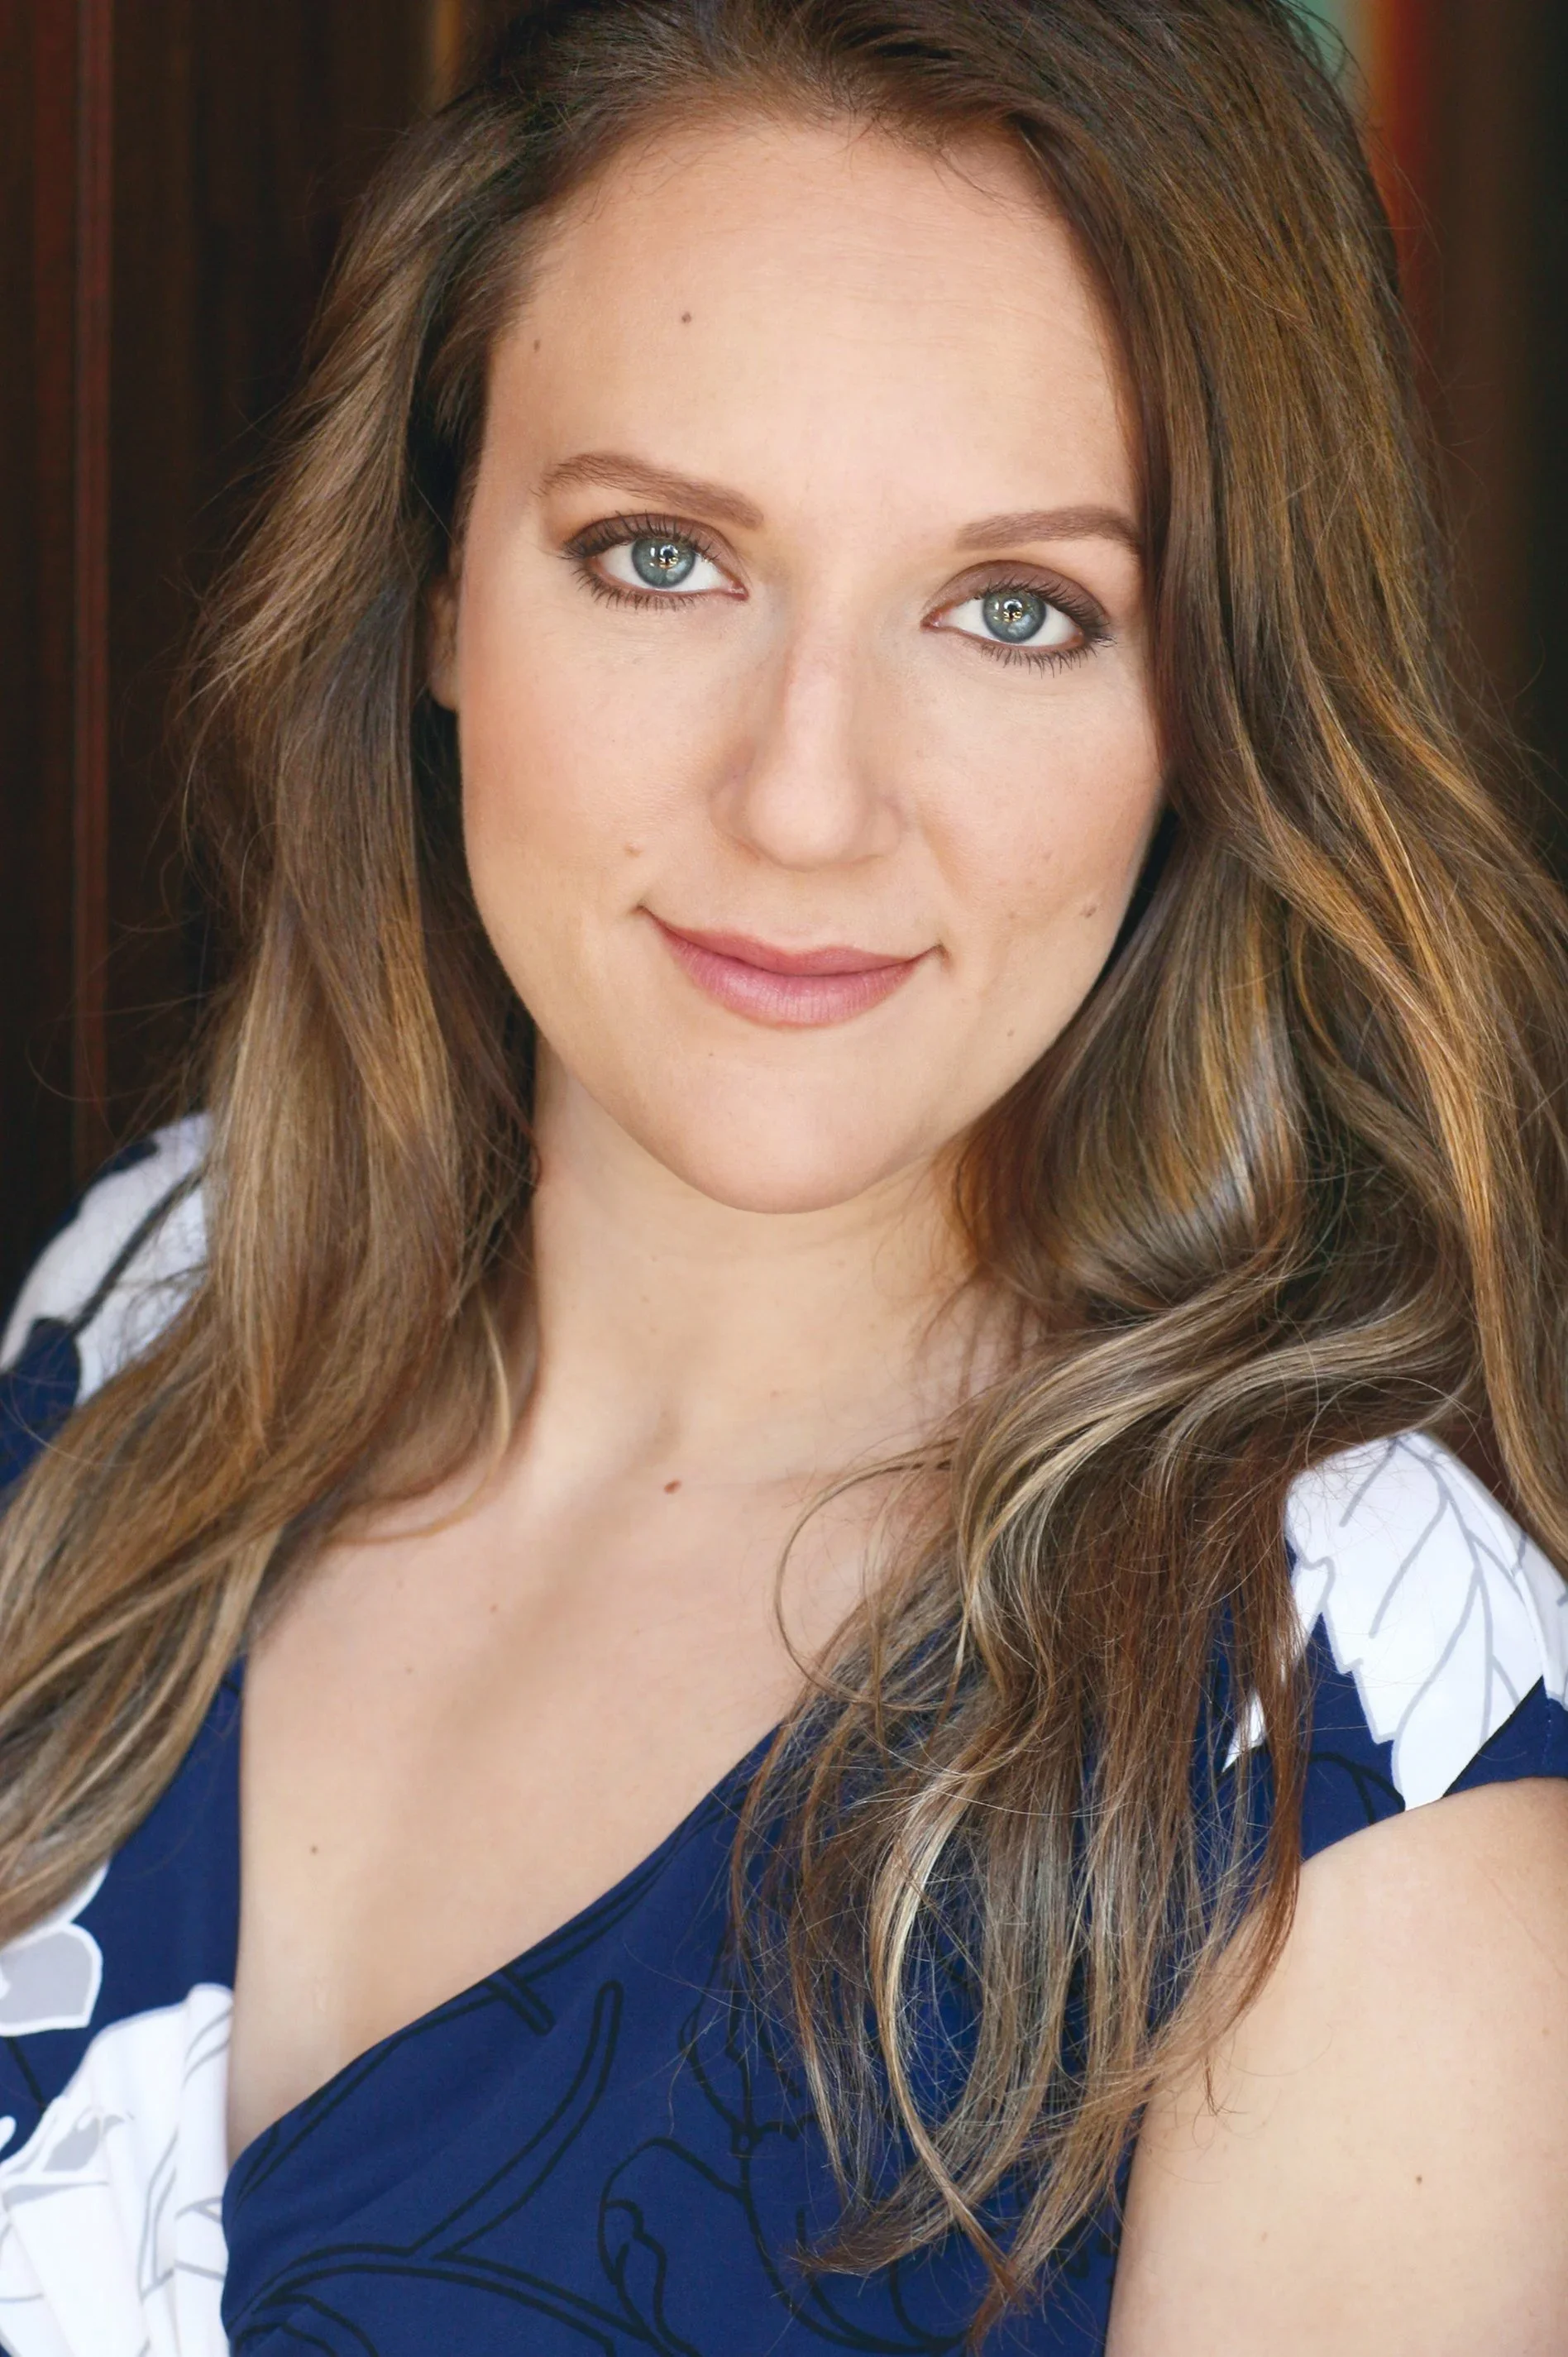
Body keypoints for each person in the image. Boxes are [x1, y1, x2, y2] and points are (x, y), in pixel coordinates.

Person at [1, 1, 1566, 2348]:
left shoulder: (1347, 1750)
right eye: (660, 558)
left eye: (1020, 610)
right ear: (437, 584)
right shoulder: (152, 1298)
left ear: (1214, 708)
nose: (808, 801)